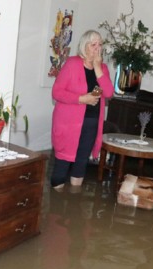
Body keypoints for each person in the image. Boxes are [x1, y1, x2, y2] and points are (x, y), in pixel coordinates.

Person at [50, 30, 114, 191]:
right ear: (84, 46)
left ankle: (73, 204)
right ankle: (56, 207)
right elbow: (57, 92)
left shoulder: (103, 68)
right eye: (94, 45)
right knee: (63, 162)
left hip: (91, 124)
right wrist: (81, 99)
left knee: (81, 163)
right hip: (68, 123)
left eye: (100, 44)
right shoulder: (72, 63)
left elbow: (108, 93)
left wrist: (98, 67)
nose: (98, 48)